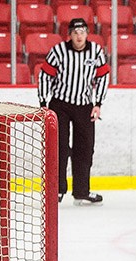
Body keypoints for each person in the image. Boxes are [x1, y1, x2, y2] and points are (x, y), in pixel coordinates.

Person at [38, 17, 110, 206]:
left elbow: (103, 76)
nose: (79, 36)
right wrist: (44, 102)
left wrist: (98, 103)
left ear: (87, 34)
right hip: (60, 104)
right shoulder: (58, 51)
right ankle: (58, 189)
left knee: (85, 149)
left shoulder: (96, 51)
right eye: (75, 33)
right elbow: (45, 75)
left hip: (85, 105)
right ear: (69, 35)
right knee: (59, 148)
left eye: (82, 32)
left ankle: (81, 191)